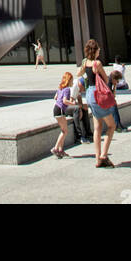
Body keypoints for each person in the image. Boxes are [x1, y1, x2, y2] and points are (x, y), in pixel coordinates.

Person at [82, 38, 116, 168]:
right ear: (95, 50)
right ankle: (103, 155)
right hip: (98, 94)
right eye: (98, 48)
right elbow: (106, 79)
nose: (100, 50)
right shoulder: (98, 63)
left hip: (89, 94)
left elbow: (81, 74)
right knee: (112, 126)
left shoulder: (85, 63)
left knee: (97, 127)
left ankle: (97, 158)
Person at [51, 72, 78, 157]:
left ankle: (60, 150)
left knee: (63, 130)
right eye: (72, 80)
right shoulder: (67, 89)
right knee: (65, 131)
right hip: (61, 110)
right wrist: (74, 103)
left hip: (56, 109)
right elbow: (65, 101)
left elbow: (55, 97)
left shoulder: (60, 87)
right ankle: (56, 148)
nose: (72, 82)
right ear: (68, 80)